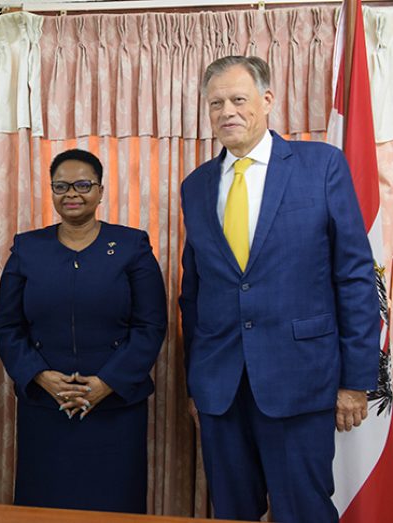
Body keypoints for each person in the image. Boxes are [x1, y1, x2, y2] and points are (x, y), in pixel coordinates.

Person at [179, 56, 379, 523]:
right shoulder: (196, 185)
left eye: (238, 100)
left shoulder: (321, 165)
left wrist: (355, 381)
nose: (226, 111)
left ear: (267, 101)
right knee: (232, 511)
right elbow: (195, 292)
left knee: (303, 511)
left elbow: (352, 276)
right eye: (215, 104)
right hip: (220, 388)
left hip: (301, 379)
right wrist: (197, 384)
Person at [0, 149, 167, 513]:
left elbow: (150, 325)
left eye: (83, 185)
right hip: (46, 407)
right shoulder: (27, 248)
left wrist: (105, 384)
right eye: (61, 186)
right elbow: (8, 325)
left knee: (113, 506)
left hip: (115, 407)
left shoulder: (132, 246)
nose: (71, 193)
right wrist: (41, 377)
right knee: (45, 508)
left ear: (100, 191)